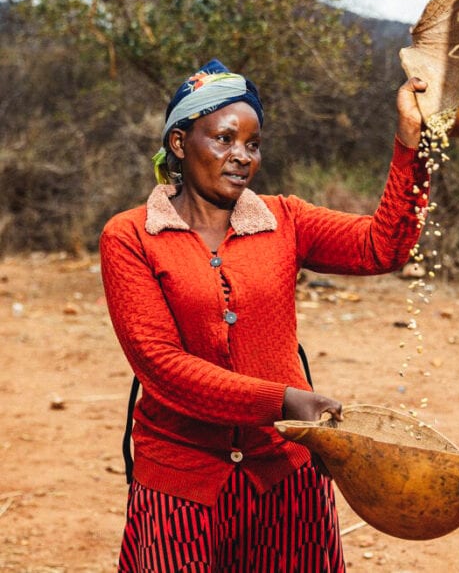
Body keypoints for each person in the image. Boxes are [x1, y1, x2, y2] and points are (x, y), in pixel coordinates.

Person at [100, 58, 430, 572]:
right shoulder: (131, 236)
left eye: (252, 144)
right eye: (224, 139)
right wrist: (282, 400)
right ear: (180, 144)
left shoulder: (285, 220)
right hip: (182, 483)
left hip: (285, 477)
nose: (241, 157)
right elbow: (161, 367)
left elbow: (382, 247)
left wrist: (411, 142)